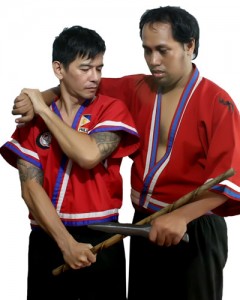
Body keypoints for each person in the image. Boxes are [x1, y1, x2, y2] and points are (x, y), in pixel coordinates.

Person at [10, 6, 240, 300]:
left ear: (190, 45)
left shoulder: (218, 103)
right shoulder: (137, 87)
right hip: (143, 222)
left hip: (194, 222)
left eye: (162, 50)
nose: (153, 61)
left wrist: (183, 216)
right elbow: (77, 84)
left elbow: (229, 180)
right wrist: (38, 98)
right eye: (146, 50)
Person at [0, 25, 140, 300]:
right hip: (48, 238)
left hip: (102, 237)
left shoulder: (111, 109)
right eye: (86, 68)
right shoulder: (32, 123)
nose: (95, 77)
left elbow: (88, 155)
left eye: (99, 68)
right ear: (59, 69)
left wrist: (43, 109)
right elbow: (30, 189)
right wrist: (66, 244)